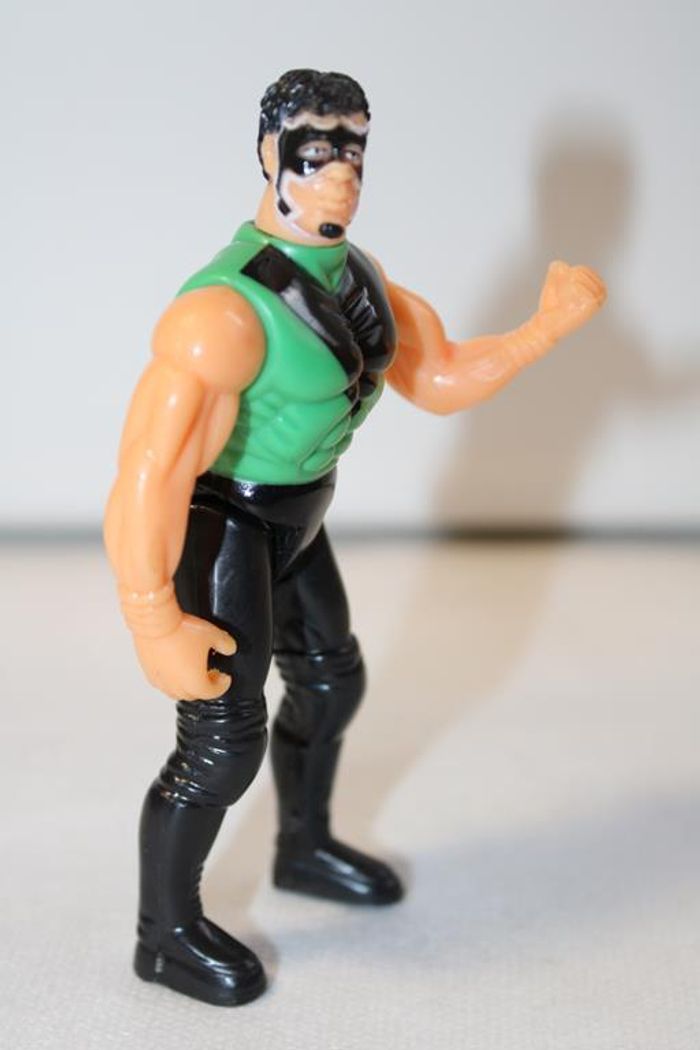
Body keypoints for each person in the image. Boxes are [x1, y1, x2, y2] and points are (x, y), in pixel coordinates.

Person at [104, 68, 606, 1007]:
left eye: (353, 151)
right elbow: (150, 472)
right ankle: (162, 934)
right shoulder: (221, 315)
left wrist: (543, 331)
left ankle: (302, 847)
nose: (338, 172)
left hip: (300, 515)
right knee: (221, 741)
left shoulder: (359, 278)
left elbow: (439, 376)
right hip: (225, 524)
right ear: (271, 156)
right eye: (315, 151)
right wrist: (151, 616)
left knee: (333, 682)